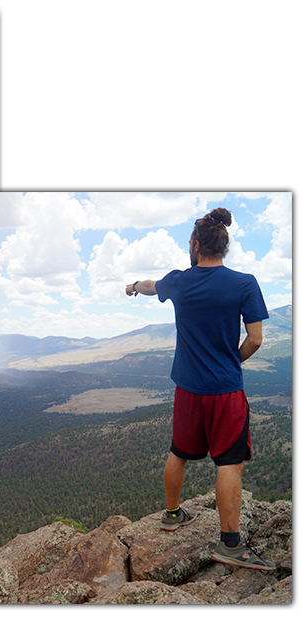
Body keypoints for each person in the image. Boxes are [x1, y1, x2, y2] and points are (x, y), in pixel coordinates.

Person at [125, 207, 275, 571]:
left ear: (195, 245)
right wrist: (229, 361)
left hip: (188, 390)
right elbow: (255, 340)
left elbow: (149, 287)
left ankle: (173, 514)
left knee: (179, 451)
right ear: (223, 247)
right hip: (225, 391)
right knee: (228, 463)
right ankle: (230, 544)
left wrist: (131, 287)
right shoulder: (244, 283)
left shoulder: (180, 281)